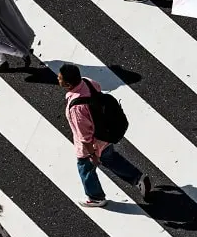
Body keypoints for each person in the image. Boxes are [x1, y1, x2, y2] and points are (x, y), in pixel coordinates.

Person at [59, 63, 151, 207]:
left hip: (92, 143)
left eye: (60, 78)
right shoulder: (87, 82)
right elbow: (99, 90)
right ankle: (138, 178)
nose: (58, 79)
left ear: (68, 84)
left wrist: (92, 155)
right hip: (104, 133)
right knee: (110, 158)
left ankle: (95, 197)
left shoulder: (77, 108)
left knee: (85, 168)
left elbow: (85, 136)